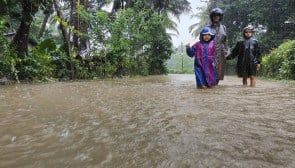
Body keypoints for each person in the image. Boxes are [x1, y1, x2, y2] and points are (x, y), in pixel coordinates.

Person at [208, 7, 229, 83]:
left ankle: (216, 89)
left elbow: (225, 40)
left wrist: (227, 51)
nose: (216, 17)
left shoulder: (223, 27)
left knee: (218, 74)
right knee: (210, 71)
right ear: (212, 17)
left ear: (220, 17)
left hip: (221, 52)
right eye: (214, 15)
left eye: (218, 15)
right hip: (210, 52)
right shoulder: (208, 28)